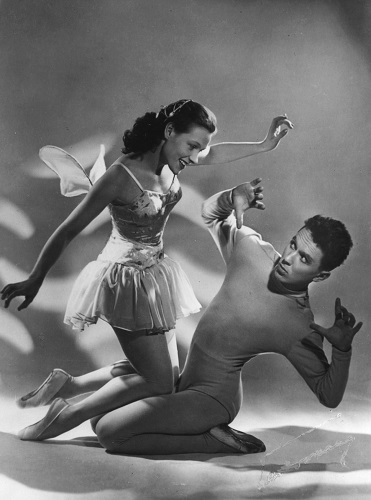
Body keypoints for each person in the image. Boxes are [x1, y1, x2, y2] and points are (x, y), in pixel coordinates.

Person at [13, 178, 362, 455]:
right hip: (182, 380)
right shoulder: (252, 250)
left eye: (304, 259)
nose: (288, 258)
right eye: (293, 245)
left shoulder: (299, 325)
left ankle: (214, 441)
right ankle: (70, 385)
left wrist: (342, 351)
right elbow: (211, 212)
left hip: (212, 401)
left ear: (320, 276)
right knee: (112, 409)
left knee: (108, 433)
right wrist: (232, 196)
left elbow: (328, 395)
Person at [1, 99, 293, 417]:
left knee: (161, 374)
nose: (196, 157)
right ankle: (65, 415)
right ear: (169, 131)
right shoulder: (120, 176)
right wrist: (35, 278)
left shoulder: (174, 159)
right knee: (158, 380)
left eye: (200, 149)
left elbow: (215, 153)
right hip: (124, 279)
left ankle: (66, 385)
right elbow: (69, 230)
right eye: (192, 146)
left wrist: (265, 145)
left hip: (155, 275)